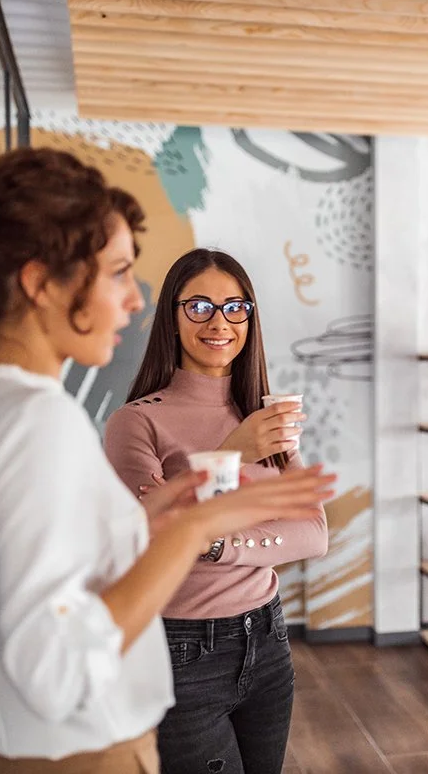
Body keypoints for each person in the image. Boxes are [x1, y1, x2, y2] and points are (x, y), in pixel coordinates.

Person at [0, 148, 335, 773]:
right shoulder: (39, 423)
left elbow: (55, 582)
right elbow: (57, 665)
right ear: (40, 283)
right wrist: (196, 527)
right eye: (117, 273)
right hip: (76, 751)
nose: (132, 301)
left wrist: (178, 511)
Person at [104, 248, 328, 774]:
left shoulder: (264, 414)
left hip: (268, 640)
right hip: (181, 649)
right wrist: (235, 453)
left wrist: (219, 545)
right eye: (200, 306)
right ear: (173, 316)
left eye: (235, 307)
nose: (220, 321)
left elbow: (314, 534)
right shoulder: (135, 423)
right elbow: (153, 538)